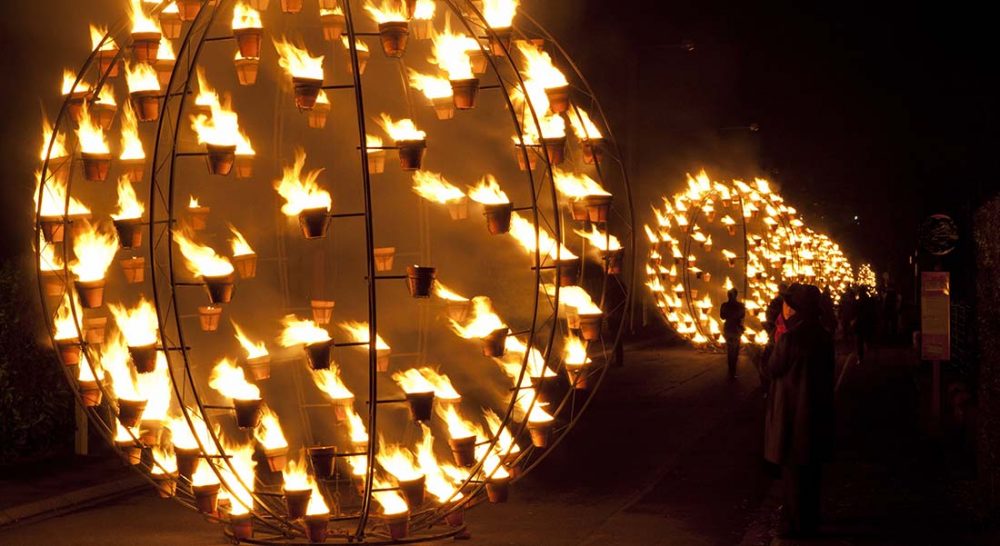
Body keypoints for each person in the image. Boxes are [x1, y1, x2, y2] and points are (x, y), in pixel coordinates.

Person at [764, 283, 835, 538]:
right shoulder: (824, 337)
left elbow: (772, 370)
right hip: (817, 414)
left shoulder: (790, 339)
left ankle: (796, 527)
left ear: (796, 309)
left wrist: (764, 350)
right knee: (813, 473)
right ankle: (811, 521)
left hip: (793, 416)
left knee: (793, 475)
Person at [719, 288, 746, 379]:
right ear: (736, 295)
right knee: (735, 351)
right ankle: (732, 372)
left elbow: (722, 317)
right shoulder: (740, 306)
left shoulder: (724, 305)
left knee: (730, 351)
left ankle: (731, 371)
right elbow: (742, 316)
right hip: (736, 330)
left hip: (728, 329)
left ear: (728, 295)